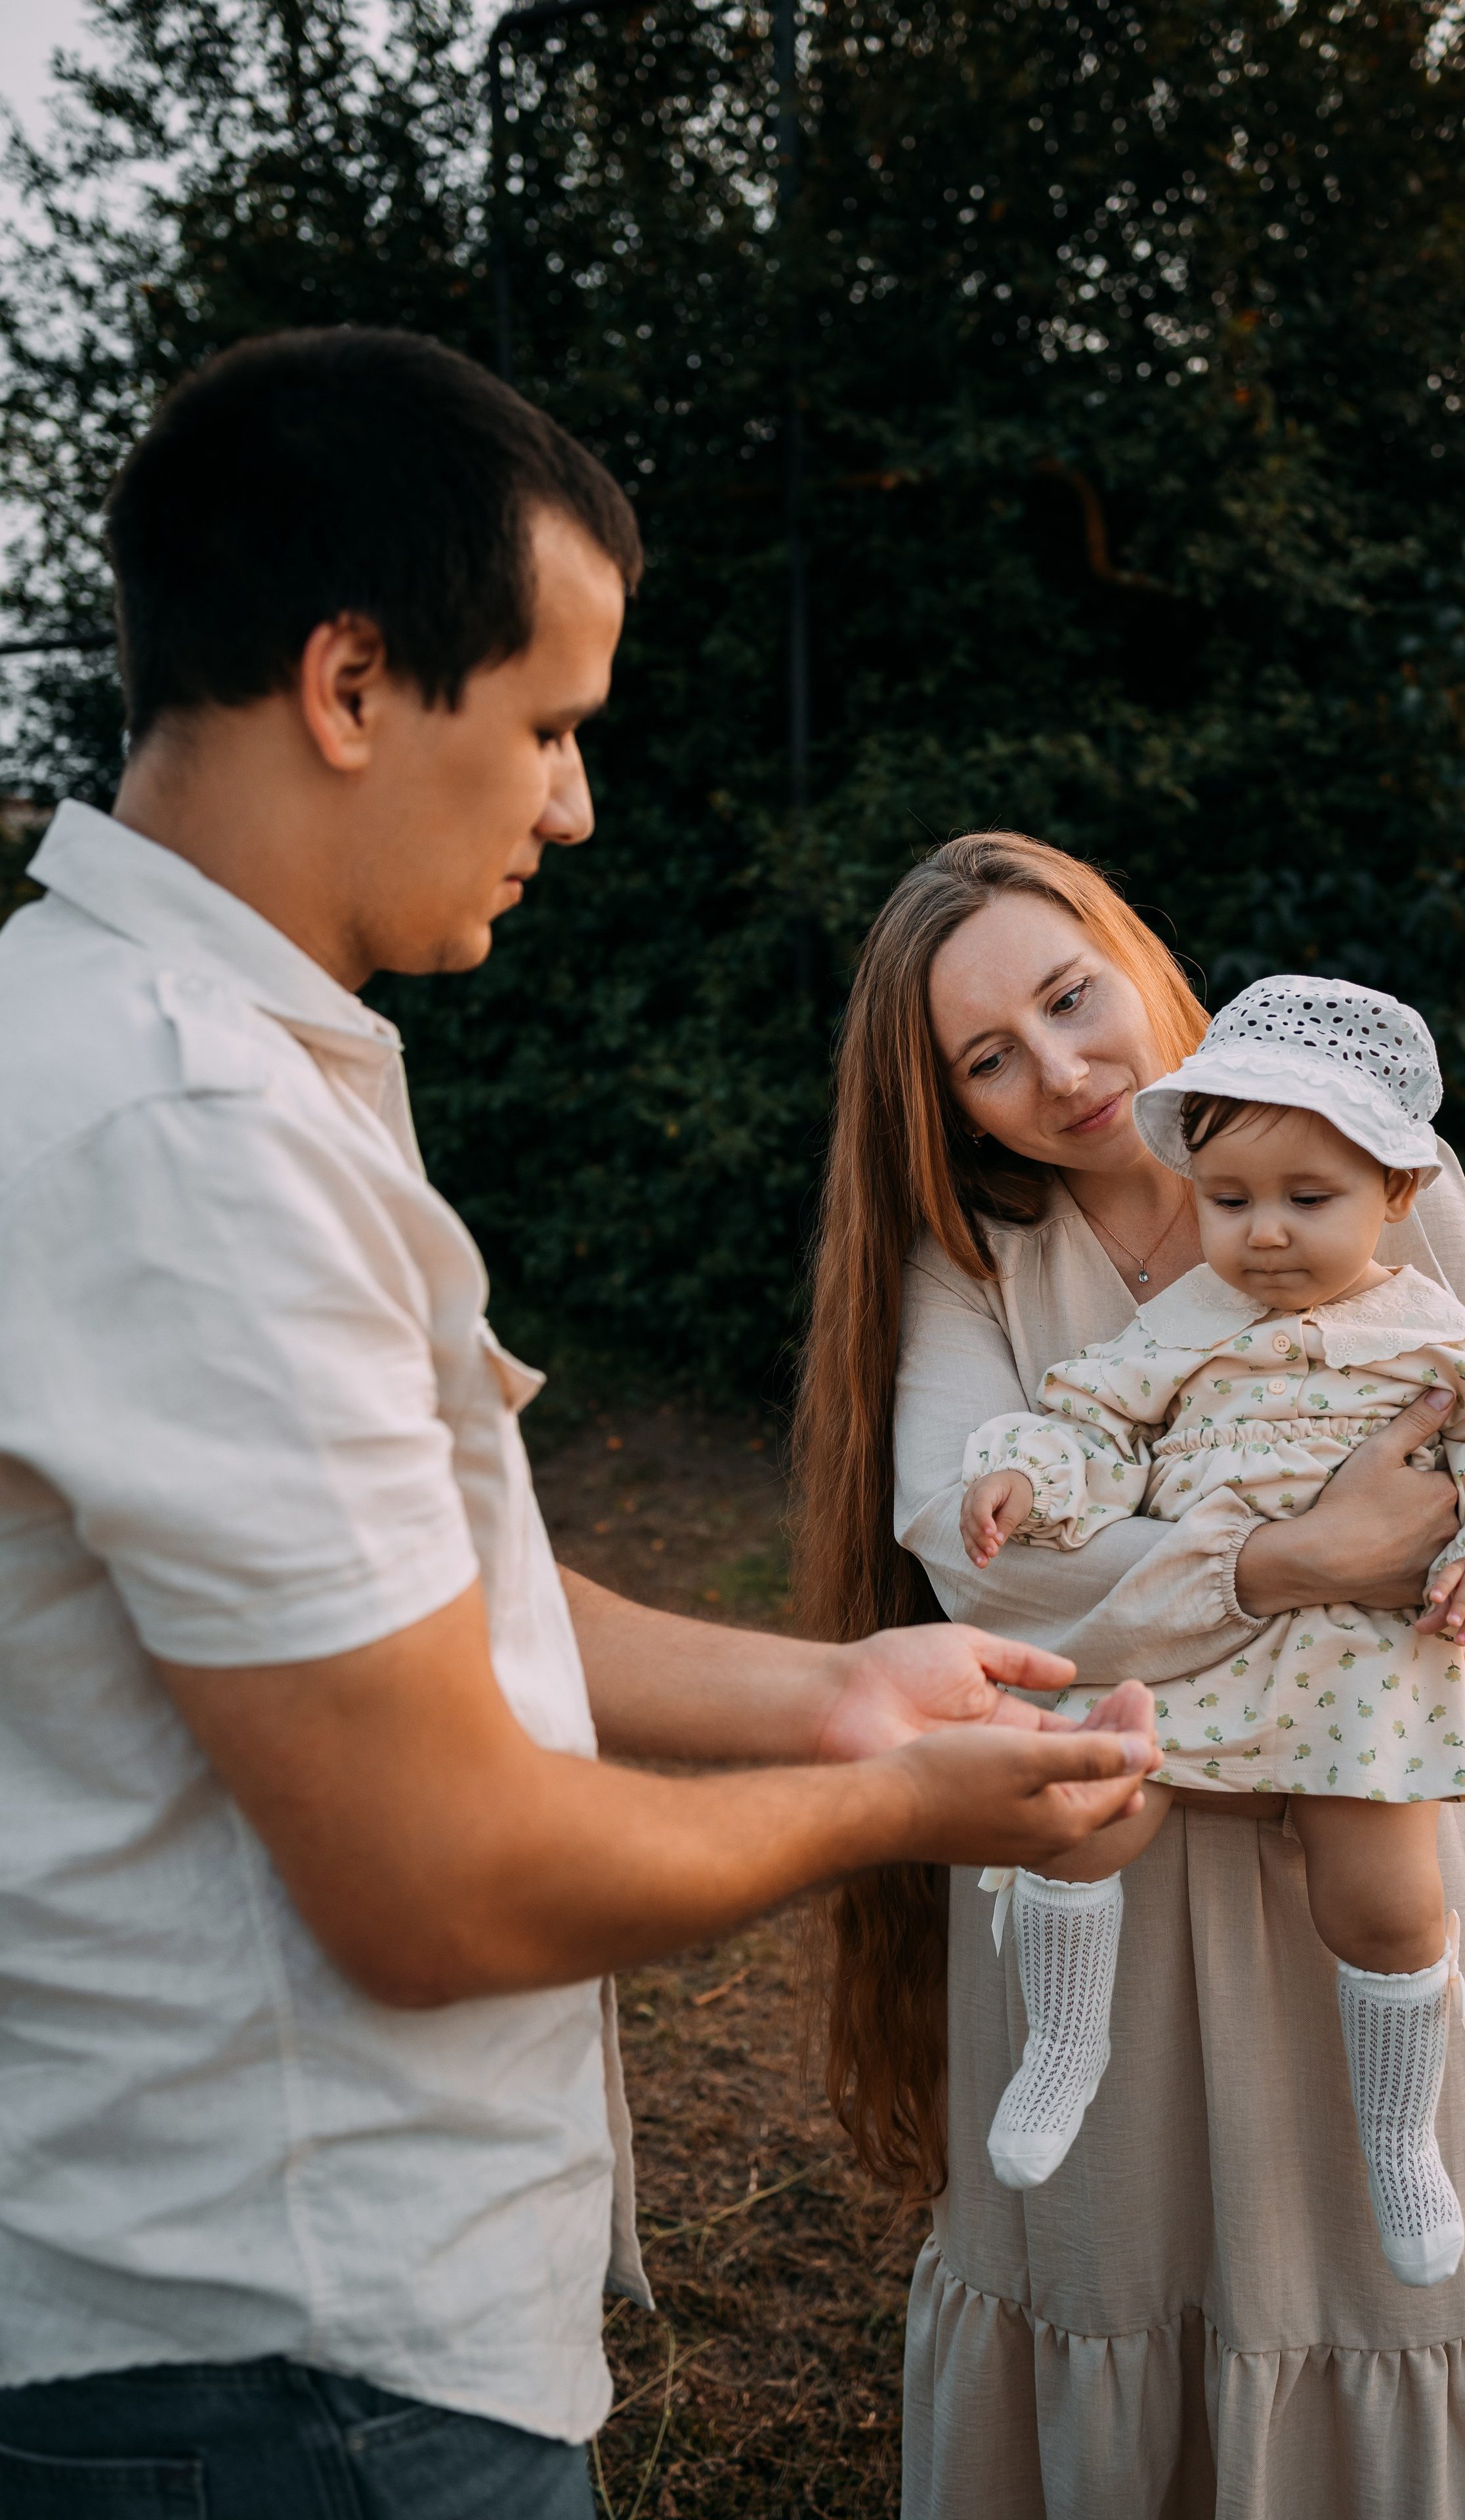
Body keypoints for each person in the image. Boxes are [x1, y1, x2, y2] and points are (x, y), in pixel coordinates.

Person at [0, 335, 1161, 2519]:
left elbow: (429, 1601)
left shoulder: (142, 1048)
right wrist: (904, 1808)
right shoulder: (187, 1131)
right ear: (352, 687)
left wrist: (828, 1690)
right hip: (282, 2368)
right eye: (544, 726)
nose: (574, 803)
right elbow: (440, 1882)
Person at [792, 835, 1465, 2517]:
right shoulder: (981, 1260)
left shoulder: (1370, 1162)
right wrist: (1289, 1568)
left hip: (1371, 1809)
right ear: (943, 1102)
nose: (1062, 1073)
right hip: (1104, 1802)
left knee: (1371, 2269)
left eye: (1069, 999)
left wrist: (1376, 1721)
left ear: (1136, 958)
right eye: (985, 1060)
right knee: (1111, 2255)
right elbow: (980, 1557)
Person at [955, 975, 1465, 2277]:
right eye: (1227, 1200)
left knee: (1382, 1902)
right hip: (1194, 1648)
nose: (1258, 1236)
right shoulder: (1184, 1323)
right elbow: (1092, 1418)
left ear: (1393, 1199)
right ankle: (1061, 2044)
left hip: (1357, 1671)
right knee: (1086, 1805)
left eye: (1307, 1202)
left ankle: (1394, 2134)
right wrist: (1030, 1468)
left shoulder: (1441, 1343)